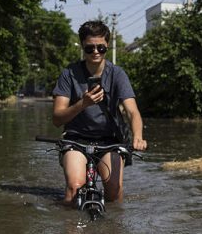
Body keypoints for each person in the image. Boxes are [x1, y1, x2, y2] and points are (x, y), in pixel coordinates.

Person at [52, 21, 147, 205]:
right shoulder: (68, 74)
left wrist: (138, 136)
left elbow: (132, 112)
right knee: (74, 188)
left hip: (110, 141)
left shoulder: (117, 74)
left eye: (101, 48)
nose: (96, 52)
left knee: (114, 191)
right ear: (82, 47)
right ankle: (70, 229)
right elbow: (57, 118)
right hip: (76, 139)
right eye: (90, 48)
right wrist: (83, 104)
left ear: (107, 46)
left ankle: (114, 230)